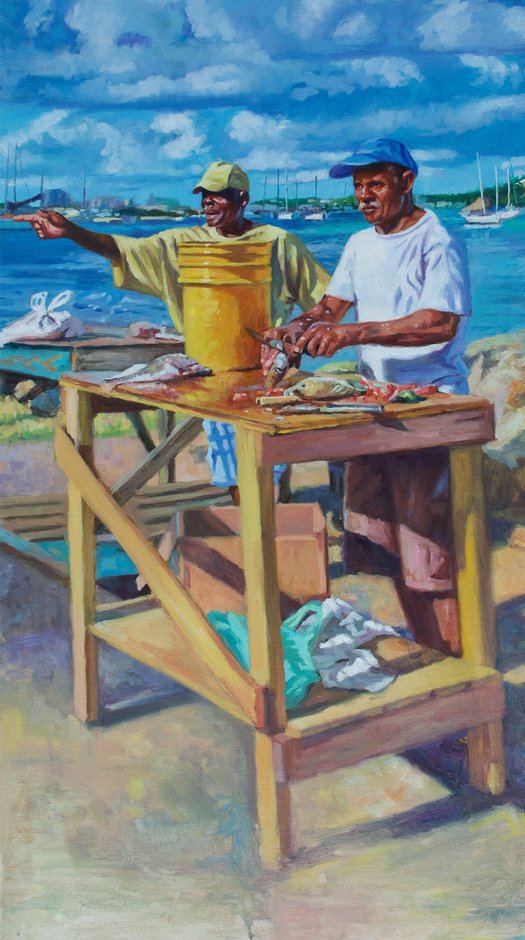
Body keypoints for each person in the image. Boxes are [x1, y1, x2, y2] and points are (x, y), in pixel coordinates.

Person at [262, 138, 470, 655]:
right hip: (373, 403)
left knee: (426, 549)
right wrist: (295, 329)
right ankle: (421, 647)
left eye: (375, 183)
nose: (363, 196)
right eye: (358, 186)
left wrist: (355, 334)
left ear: (407, 181)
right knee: (375, 540)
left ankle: (451, 657)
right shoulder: (359, 243)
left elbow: (440, 322)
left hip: (428, 404)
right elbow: (331, 307)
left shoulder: (437, 239)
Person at [19, 161, 329, 489]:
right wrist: (71, 231)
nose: (208, 201)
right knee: (232, 467)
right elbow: (124, 250)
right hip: (211, 373)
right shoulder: (184, 242)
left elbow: (326, 301)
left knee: (265, 464)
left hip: (266, 375)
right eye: (204, 195)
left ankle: (264, 507)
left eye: (219, 194)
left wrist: (298, 334)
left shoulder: (279, 242)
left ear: (243, 199)